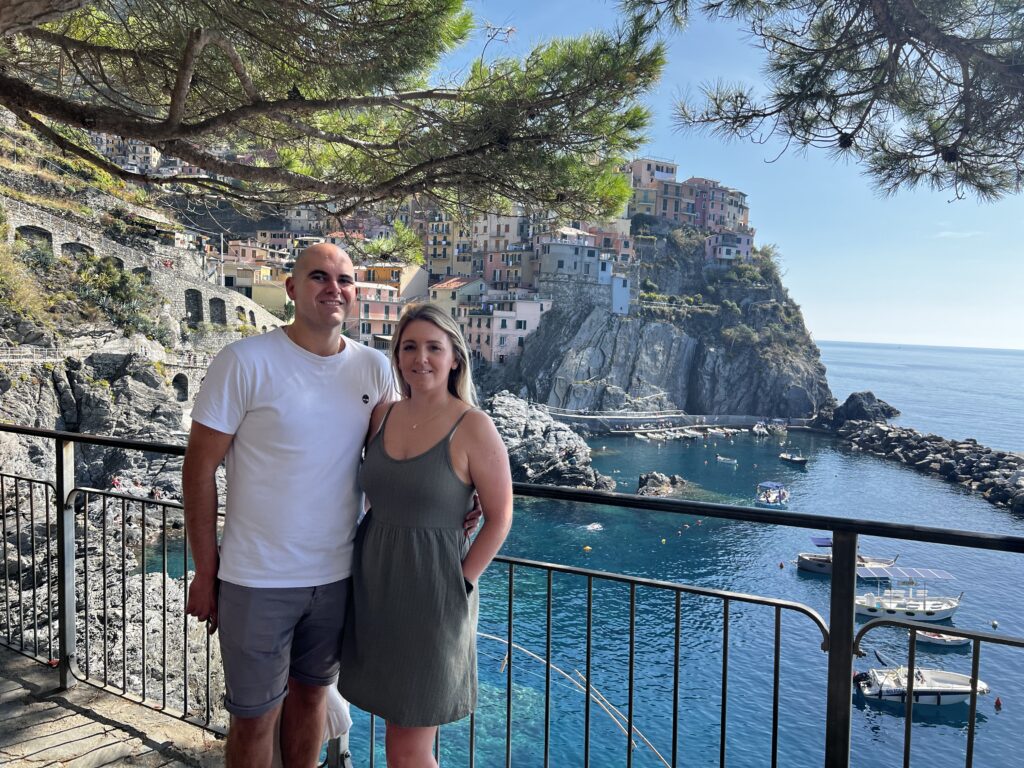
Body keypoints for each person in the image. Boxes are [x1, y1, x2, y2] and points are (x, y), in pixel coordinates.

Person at [182, 243, 396, 768]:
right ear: (291, 288)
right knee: (253, 718)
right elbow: (198, 470)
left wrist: (467, 493)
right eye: (319, 276)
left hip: (337, 577)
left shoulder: (374, 368)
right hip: (255, 579)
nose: (334, 288)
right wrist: (206, 572)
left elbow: (395, 464)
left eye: (345, 280)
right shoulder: (244, 361)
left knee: (311, 701)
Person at [339, 303, 513, 768]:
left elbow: (500, 516)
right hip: (375, 585)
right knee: (392, 724)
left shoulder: (474, 425)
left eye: (434, 348)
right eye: (409, 347)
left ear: (455, 356)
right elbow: (379, 492)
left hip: (434, 595)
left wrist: (463, 580)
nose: (421, 358)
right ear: (396, 357)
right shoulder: (382, 416)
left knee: (408, 745)